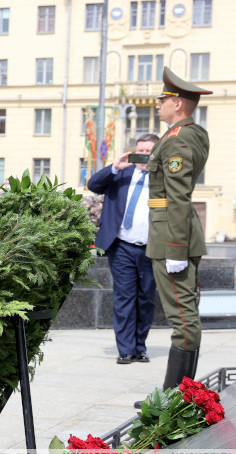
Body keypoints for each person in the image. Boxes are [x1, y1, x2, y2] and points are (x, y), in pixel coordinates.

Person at [147, 67, 212, 390]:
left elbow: (177, 196)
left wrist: (174, 250)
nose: (158, 104)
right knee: (185, 314)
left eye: (163, 99)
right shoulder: (188, 134)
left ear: (178, 104)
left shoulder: (178, 139)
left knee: (183, 318)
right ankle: (180, 394)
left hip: (171, 237)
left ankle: (173, 399)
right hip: (176, 232)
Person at [88, 134, 160, 365]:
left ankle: (140, 347)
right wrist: (114, 167)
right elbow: (93, 185)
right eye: (139, 150)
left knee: (146, 299)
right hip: (122, 247)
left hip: (152, 249)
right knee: (124, 298)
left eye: (148, 151)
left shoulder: (163, 178)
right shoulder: (122, 173)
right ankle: (125, 350)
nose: (142, 156)